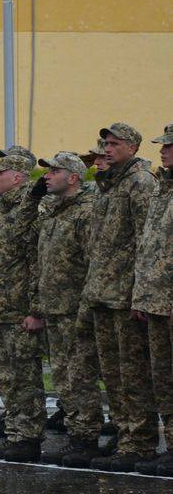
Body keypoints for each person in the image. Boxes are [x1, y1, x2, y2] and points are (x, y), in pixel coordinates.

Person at [83, 123, 159, 473]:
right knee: (112, 375)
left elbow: (147, 241)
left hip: (125, 295)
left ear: (131, 147)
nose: (107, 149)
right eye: (105, 144)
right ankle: (125, 436)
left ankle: (140, 442)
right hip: (102, 293)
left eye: (114, 144)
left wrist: (140, 294)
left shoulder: (140, 183)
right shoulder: (108, 183)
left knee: (133, 375)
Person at [24, 152, 104, 467]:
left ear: (72, 177)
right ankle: (76, 435)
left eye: (54, 171)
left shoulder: (86, 212)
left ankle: (86, 439)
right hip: (54, 309)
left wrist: (86, 308)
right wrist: (39, 307)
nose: (47, 175)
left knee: (80, 376)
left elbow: (93, 264)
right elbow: (43, 262)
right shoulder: (54, 212)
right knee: (64, 377)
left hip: (75, 310)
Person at [0, 149, 46, 462]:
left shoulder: (30, 209)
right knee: (4, 376)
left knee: (24, 377)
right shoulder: (2, 206)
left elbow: (34, 261)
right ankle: (15, 432)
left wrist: (35, 309)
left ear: (17, 177)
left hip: (18, 309)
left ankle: (28, 436)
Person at [131, 124, 173, 477]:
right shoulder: (163, 189)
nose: (163, 151)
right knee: (164, 379)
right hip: (157, 300)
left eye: (170, 147)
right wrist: (143, 295)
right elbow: (149, 248)